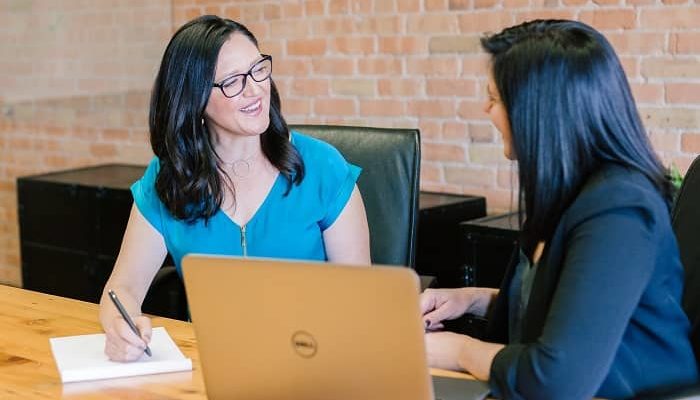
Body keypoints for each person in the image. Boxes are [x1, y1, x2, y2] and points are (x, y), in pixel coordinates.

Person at [420, 19, 699, 399]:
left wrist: (458, 350)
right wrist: (471, 299)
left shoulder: (620, 211)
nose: (485, 110)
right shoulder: (567, 193)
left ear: (540, 111)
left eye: (495, 98)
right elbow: (564, 307)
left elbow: (555, 380)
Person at [99, 15, 370, 362]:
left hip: (314, 361)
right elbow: (121, 289)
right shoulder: (168, 181)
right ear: (194, 99)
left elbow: (360, 300)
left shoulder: (323, 168)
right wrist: (120, 329)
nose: (256, 89)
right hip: (212, 366)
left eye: (259, 70)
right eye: (232, 82)